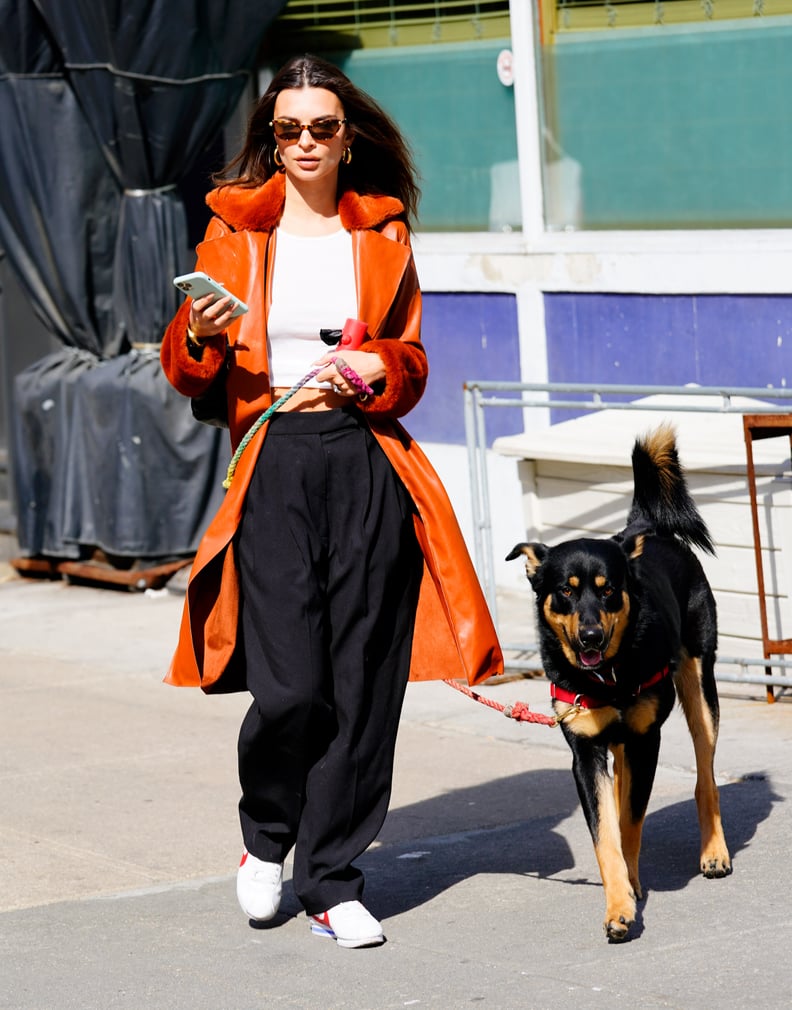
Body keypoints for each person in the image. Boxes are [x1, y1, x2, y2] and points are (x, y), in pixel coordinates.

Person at [160, 53, 503, 949]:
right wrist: (196, 334)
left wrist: (379, 365)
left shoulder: (383, 238)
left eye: (320, 128)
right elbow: (188, 373)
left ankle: (334, 879)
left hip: (364, 462)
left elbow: (414, 362)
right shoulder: (233, 235)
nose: (304, 143)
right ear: (269, 142)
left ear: (348, 140)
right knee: (291, 687)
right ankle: (265, 838)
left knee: (363, 684)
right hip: (274, 461)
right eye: (287, 130)